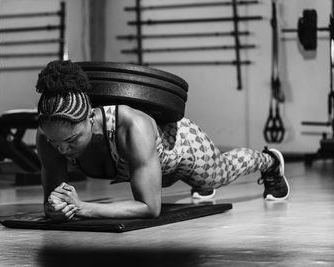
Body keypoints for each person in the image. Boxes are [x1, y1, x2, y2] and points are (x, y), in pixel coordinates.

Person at [35, 60, 290, 220]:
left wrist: (82, 208)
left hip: (180, 147)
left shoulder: (131, 126)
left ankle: (269, 161)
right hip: (148, 169)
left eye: (71, 139)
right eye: (55, 142)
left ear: (90, 117)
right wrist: (56, 208)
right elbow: (52, 201)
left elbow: (149, 208)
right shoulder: (48, 139)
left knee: (217, 174)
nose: (62, 149)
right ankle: (201, 186)